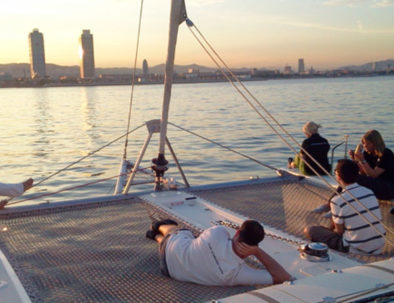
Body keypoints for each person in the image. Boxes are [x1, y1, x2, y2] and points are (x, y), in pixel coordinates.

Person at [146, 219, 292, 286]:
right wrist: (259, 253)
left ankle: (159, 226)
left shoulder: (218, 232)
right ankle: (156, 236)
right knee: (181, 238)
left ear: (237, 233)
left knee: (180, 232)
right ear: (255, 246)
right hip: (169, 270)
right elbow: (284, 277)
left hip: (173, 248)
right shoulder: (238, 274)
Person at [304, 159, 385, 254]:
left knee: (310, 230)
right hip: (379, 246)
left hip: (356, 248)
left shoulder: (337, 201)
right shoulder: (369, 192)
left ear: (338, 175)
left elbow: (339, 232)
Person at [349, 129, 394, 201]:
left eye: (368, 143)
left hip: (388, 187)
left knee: (356, 178)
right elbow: (363, 172)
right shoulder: (367, 154)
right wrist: (356, 160)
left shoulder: (386, 154)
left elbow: (373, 175)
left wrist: (363, 160)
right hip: (375, 183)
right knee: (348, 176)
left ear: (375, 143)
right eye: (363, 143)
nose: (365, 146)